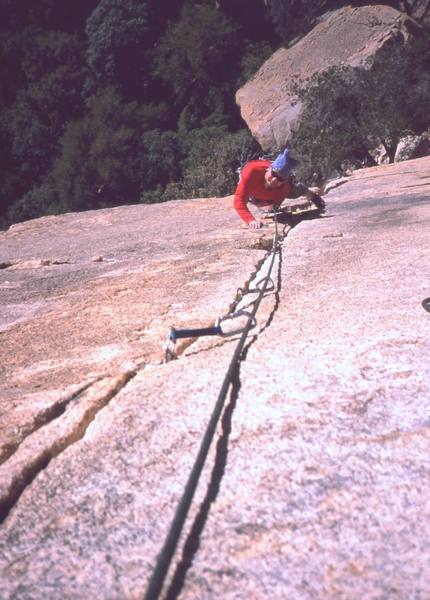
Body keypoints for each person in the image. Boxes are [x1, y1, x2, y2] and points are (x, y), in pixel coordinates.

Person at [233, 148, 325, 228]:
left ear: (285, 180)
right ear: (268, 169)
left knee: (298, 191)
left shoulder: (285, 187)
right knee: (255, 201)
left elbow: (277, 200)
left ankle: (313, 196)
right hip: (256, 192)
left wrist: (271, 205)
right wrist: (250, 220)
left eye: (280, 178)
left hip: (277, 191)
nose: (274, 179)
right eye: (273, 174)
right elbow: (239, 201)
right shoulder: (251, 172)